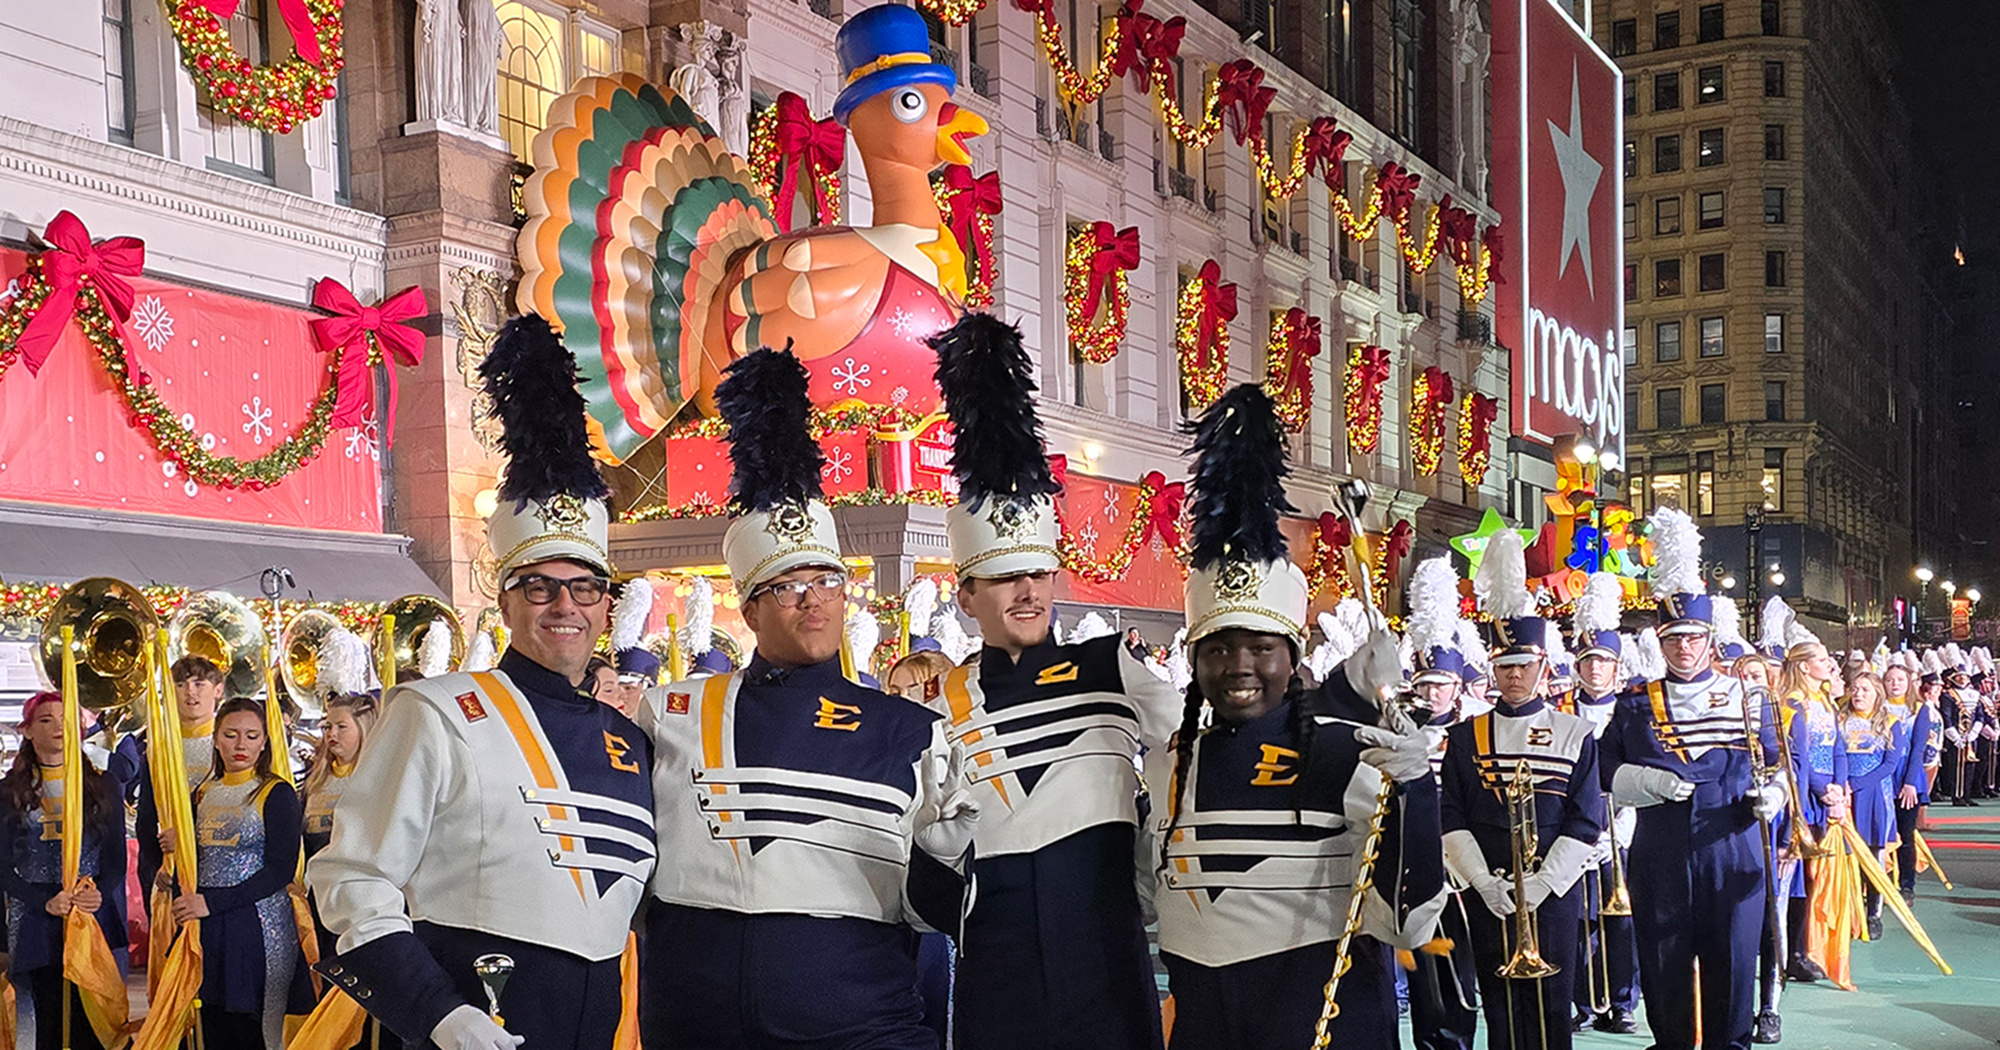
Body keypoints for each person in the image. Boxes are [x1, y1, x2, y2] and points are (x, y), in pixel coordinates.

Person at [308, 315, 657, 1050]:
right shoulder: (434, 711)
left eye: (585, 588)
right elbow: (349, 881)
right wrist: (440, 1015)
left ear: (605, 605)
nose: (565, 605)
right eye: (538, 586)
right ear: (503, 599)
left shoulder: (632, 739)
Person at [634, 347, 974, 1050]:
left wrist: (951, 860)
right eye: (787, 586)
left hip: (866, 1032)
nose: (813, 599)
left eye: (826, 579)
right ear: (750, 609)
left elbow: (947, 918)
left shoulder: (911, 730)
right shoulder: (672, 712)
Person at [1142, 384, 1439, 1049]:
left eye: (1260, 648)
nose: (1239, 665)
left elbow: (1412, 920)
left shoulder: (1349, 751)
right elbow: (1147, 897)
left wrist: (1417, 792)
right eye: (1217, 648)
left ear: (1295, 653)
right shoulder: (1167, 758)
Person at [926, 312, 1179, 1049]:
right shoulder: (941, 701)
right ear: (967, 595)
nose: (1028, 592)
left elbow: (1194, 745)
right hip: (995, 975)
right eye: (1004, 579)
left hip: (1108, 959)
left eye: (1037, 572)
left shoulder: (1113, 668)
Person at [1601, 509, 1784, 1050]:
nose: (1684, 647)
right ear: (1660, 639)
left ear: (1710, 638)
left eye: (1693, 637)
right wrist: (1643, 783)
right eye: (1674, 637)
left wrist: (1771, 795)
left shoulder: (1750, 697)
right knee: (1664, 964)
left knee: (1732, 962)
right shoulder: (1636, 703)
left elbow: (1779, 763)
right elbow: (1605, 770)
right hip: (1661, 851)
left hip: (1733, 846)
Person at [1440, 530, 1604, 1050]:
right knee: (1499, 1004)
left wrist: (1545, 882)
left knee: (1553, 1008)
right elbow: (1452, 813)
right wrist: (1484, 883)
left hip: (1550, 894)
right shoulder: (1466, 734)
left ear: (1542, 667)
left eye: (1523, 667)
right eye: (1504, 667)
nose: (1514, 677)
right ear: (1492, 668)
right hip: (1490, 888)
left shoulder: (1576, 732)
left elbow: (1585, 818)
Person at [178, 697, 310, 1049]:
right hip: (206, 923)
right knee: (210, 1022)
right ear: (216, 739)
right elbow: (192, 861)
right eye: (231, 734)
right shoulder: (201, 793)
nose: (241, 745)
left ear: (265, 741)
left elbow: (280, 869)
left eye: (252, 736)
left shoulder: (276, 793)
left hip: (258, 925)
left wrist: (213, 902)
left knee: (255, 1029)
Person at [0, 692, 127, 1050]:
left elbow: (115, 857)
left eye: (65, 720)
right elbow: (3, 867)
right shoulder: (8, 792)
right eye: (45, 720)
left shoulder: (103, 785)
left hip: (90, 914)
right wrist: (43, 900)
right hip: (36, 918)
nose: (58, 727)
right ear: (26, 730)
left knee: (94, 1020)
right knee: (47, 1017)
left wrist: (100, 890)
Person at [1400, 560, 1482, 1050]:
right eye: (1426, 684)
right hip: (1411, 860)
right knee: (1419, 960)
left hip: (1460, 862)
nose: (1433, 693)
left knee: (1458, 963)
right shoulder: (1400, 731)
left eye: (1441, 685)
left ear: (1457, 687)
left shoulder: (1476, 731)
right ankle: (1430, 1039)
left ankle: (1455, 1039)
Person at [1566, 572, 1640, 1036]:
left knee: (1621, 921)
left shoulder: (1632, 711)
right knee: (1574, 921)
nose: (1596, 670)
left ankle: (1623, 1001)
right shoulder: (1559, 710)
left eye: (1604, 662)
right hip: (1575, 834)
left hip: (1624, 829)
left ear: (1617, 668)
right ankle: (1581, 1000)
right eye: (1589, 661)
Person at [129, 655, 224, 897]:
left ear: (218, 690)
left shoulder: (230, 743)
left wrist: (188, 839)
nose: (190, 692)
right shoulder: (158, 748)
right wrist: (157, 865)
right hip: (166, 869)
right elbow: (146, 819)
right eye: (180, 685)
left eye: (199, 684)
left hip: (220, 864)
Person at [1840, 671, 1904, 941]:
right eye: (1855, 689)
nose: (1859, 694)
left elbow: (1890, 765)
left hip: (1874, 795)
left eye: (1865, 689)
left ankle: (1873, 914)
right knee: (1846, 856)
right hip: (1845, 795)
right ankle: (1848, 912)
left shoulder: (1890, 723)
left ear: (1877, 693)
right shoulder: (1841, 720)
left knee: (1874, 856)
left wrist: (1856, 783)